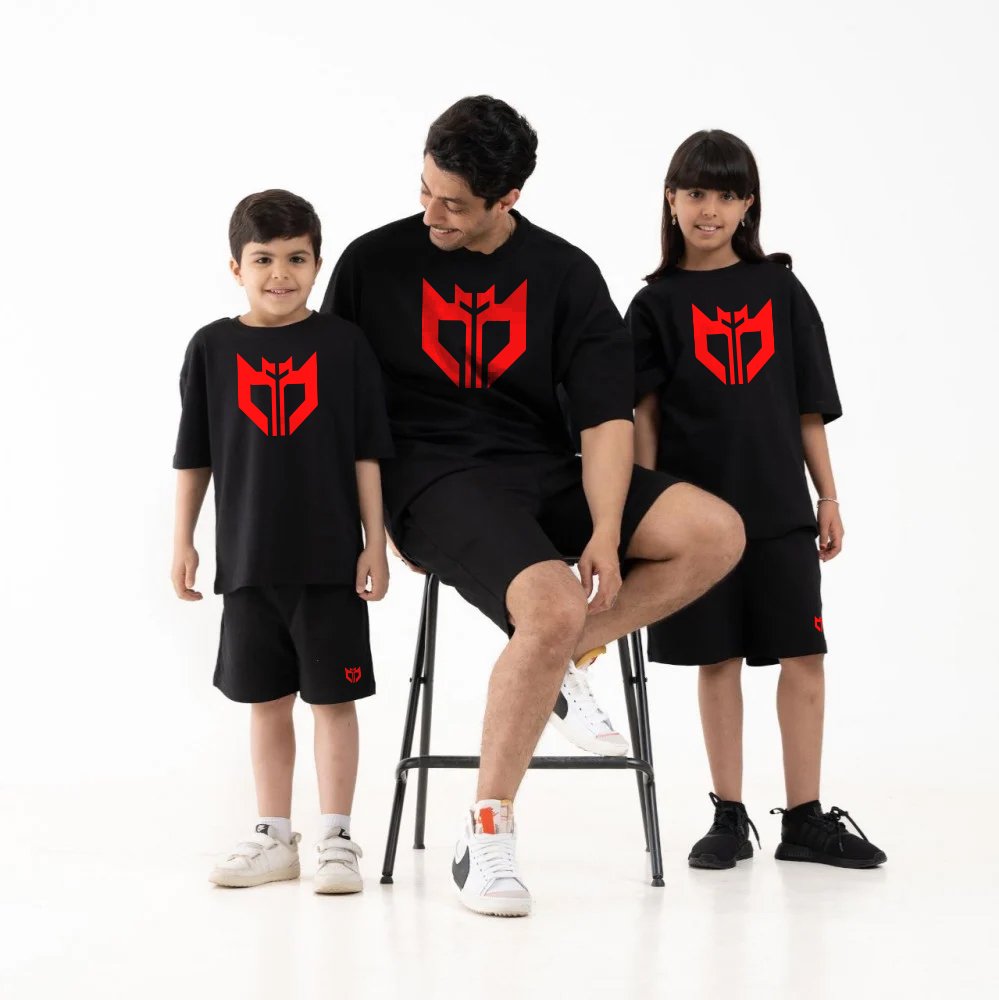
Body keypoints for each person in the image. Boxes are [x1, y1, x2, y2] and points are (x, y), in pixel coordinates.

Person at [322, 97, 745, 916]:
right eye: (425, 191)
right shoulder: (374, 263)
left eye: (454, 204)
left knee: (713, 532)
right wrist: (368, 524)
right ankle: (486, 832)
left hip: (542, 471)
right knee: (549, 604)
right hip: (432, 479)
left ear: (508, 197)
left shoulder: (563, 273)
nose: (432, 214)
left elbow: (605, 419)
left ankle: (558, 659)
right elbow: (338, 408)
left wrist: (606, 530)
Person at [628, 130, 886, 871]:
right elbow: (644, 418)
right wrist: (644, 513)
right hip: (695, 518)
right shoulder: (653, 305)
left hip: (778, 508)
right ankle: (728, 814)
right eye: (695, 192)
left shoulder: (780, 290)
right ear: (671, 200)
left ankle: (804, 819)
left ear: (748, 205)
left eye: (726, 194)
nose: (709, 209)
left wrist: (827, 495)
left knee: (803, 652)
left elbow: (807, 406)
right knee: (718, 659)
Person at [171, 189, 394, 892]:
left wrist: (375, 541)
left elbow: (366, 451)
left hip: (330, 561)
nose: (280, 274)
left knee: (332, 702)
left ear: (317, 264)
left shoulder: (343, 345)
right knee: (266, 702)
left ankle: (336, 837)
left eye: (297, 259)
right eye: (263, 259)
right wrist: (183, 541)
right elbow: (195, 455)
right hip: (247, 560)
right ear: (235, 267)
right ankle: (273, 836)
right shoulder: (212, 347)